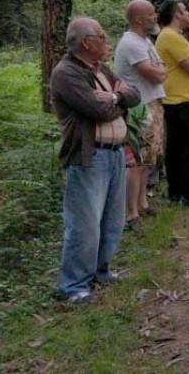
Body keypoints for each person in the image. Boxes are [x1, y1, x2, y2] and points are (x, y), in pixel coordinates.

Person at [50, 17, 141, 303]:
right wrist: (118, 98)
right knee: (84, 222)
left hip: (114, 153)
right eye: (101, 37)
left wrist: (113, 97)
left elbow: (135, 95)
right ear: (86, 41)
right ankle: (73, 286)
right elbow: (95, 109)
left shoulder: (101, 68)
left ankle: (101, 270)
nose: (106, 41)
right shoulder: (66, 73)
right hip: (89, 156)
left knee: (112, 220)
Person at [113, 0, 167, 229]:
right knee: (136, 161)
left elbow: (161, 69)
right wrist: (160, 69)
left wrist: (160, 69)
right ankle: (131, 213)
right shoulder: (131, 44)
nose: (156, 17)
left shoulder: (145, 41)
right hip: (139, 108)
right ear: (138, 19)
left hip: (152, 104)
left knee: (148, 159)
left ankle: (143, 202)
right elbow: (157, 74)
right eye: (152, 13)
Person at [155, 0, 189, 207]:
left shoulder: (173, 36)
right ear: (177, 14)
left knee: (177, 147)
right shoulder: (171, 36)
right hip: (180, 99)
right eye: (185, 10)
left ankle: (176, 191)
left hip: (177, 98)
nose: (188, 13)